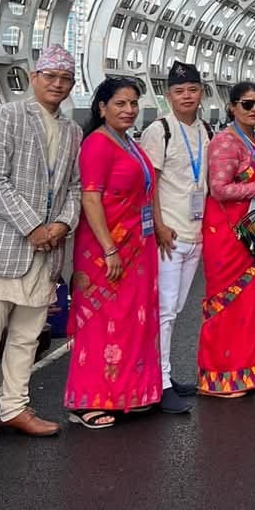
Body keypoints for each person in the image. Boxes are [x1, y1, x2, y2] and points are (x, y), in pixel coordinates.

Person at [0, 45, 81, 458]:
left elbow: (75, 187)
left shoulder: (72, 130)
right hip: (1, 247)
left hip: (46, 252)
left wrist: (62, 224)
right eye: (50, 76)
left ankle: (13, 408)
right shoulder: (6, 115)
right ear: (34, 78)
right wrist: (33, 227)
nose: (57, 84)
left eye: (65, 79)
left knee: (27, 338)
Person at [65, 77, 162, 429]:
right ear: (102, 107)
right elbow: (91, 198)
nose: (129, 110)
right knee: (100, 323)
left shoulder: (128, 142)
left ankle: (128, 393)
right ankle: (87, 401)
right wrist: (109, 249)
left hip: (138, 248)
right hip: (105, 251)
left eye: (133, 103)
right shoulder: (97, 144)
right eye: (120, 103)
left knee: (131, 322)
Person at [197, 80, 255, 397]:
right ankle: (217, 378)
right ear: (232, 107)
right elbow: (220, 189)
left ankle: (244, 374)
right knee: (228, 307)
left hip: (252, 236)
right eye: (247, 104)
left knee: (251, 309)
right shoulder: (225, 142)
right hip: (229, 238)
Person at [139, 60, 212, 416]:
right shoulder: (159, 130)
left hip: (195, 234)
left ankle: (164, 374)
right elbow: (149, 183)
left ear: (202, 93)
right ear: (168, 96)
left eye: (192, 90)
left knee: (177, 307)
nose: (186, 96)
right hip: (169, 235)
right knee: (165, 310)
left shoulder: (206, 130)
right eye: (179, 91)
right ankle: (160, 382)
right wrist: (158, 225)